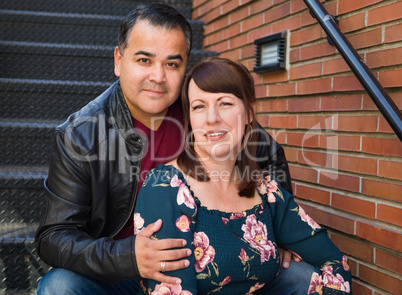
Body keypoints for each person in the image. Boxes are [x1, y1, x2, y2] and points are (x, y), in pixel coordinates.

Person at [35, 4, 300, 295]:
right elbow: (55, 237)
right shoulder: (80, 135)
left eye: (172, 64)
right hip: (124, 276)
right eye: (144, 60)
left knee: (303, 277)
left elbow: (271, 157)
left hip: (217, 264)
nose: (158, 76)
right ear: (118, 60)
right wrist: (127, 257)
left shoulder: (201, 106)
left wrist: (280, 231)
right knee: (58, 286)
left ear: (186, 65)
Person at [134, 57, 352, 295]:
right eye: (199, 106)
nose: (211, 118)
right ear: (189, 119)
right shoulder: (164, 187)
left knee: (302, 276)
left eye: (225, 103)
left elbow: (334, 261)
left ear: (249, 113)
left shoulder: (264, 189)